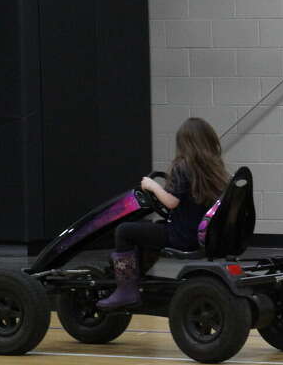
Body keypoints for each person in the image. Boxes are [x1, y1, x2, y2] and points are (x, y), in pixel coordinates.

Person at [97, 117, 230, 310]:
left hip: (181, 237)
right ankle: (136, 278)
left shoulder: (183, 166)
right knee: (151, 230)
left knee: (124, 231)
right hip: (203, 237)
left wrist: (153, 186)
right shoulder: (216, 169)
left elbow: (171, 202)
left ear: (184, 143)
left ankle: (126, 290)